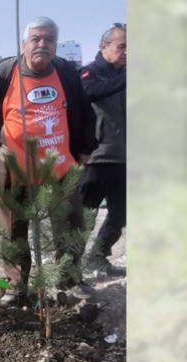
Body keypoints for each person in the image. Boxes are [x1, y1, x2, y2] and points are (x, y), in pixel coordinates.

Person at [0, 17, 95, 306]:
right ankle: (16, 287)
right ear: (23, 44)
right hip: (12, 166)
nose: (42, 44)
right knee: (12, 228)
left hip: (60, 164)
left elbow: (86, 113)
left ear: (55, 45)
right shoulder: (3, 72)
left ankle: (67, 281)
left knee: (72, 222)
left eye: (49, 39)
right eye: (36, 39)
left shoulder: (65, 71)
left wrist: (85, 150)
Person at [78, 23, 127, 277]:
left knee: (121, 214)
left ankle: (98, 256)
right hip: (97, 159)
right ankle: (70, 268)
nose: (128, 52)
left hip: (126, 158)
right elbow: (90, 92)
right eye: (122, 46)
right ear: (103, 47)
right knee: (84, 217)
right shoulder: (90, 73)